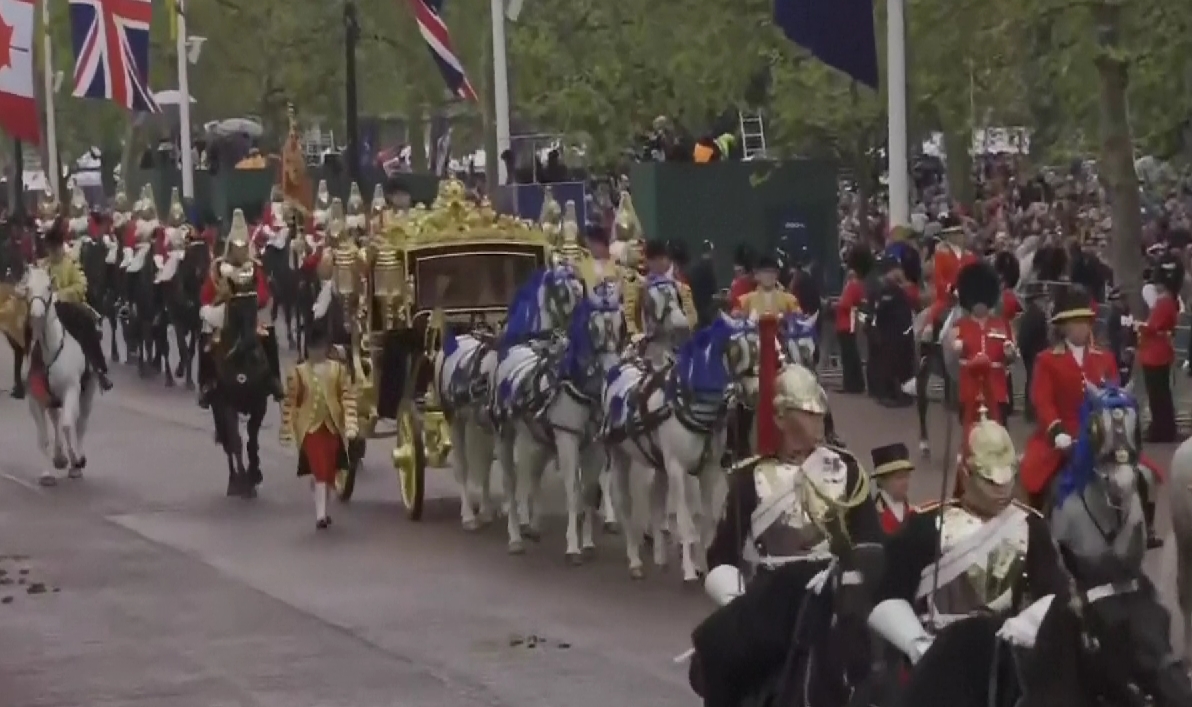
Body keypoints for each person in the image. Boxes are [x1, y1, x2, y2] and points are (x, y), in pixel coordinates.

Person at [689, 339, 883, 707]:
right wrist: (736, 603)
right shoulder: (750, 479)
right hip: (772, 597)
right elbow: (723, 555)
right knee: (717, 650)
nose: (818, 421)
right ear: (780, 418)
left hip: (832, 595)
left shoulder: (849, 470)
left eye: (819, 413)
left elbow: (870, 544)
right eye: (807, 414)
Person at [867, 406, 1068, 707]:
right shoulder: (926, 525)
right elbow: (888, 593)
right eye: (990, 481)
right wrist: (918, 644)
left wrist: (1022, 628)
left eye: (1007, 479)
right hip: (938, 655)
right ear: (965, 471)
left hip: (1005, 656)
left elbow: (1054, 593)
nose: (1002, 490)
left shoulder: (1031, 526)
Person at [1019, 285, 1164, 546]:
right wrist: (1057, 431)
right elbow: (1043, 401)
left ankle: (1147, 530)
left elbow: (1114, 398)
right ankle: (1037, 535)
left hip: (1104, 437)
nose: (1082, 329)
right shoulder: (1047, 360)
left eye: (1085, 322)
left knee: (1145, 474)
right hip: (1063, 436)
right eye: (1075, 323)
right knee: (1036, 481)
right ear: (1063, 327)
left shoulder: (1104, 357)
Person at [279, 315, 359, 530]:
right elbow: (290, 402)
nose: (317, 352)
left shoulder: (338, 370)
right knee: (320, 469)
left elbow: (347, 397)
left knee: (329, 470)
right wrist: (287, 430)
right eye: (314, 348)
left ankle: (323, 503)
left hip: (332, 426)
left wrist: (351, 423)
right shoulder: (298, 372)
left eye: (320, 348)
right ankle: (320, 516)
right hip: (309, 429)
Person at [197, 209, 284, 406]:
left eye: (243, 247)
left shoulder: (254, 266)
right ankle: (207, 382)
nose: (240, 251)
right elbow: (207, 293)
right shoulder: (219, 266)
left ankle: (273, 379)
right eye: (237, 247)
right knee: (206, 337)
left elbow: (263, 291)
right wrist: (217, 300)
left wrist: (256, 300)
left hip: (250, 310)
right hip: (227, 311)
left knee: (269, 336)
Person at [32, 219, 113, 391]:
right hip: (47, 309)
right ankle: (30, 370)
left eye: (55, 247)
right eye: (50, 248)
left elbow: (80, 285)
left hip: (67, 307)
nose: (52, 251)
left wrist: (60, 295)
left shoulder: (70, 264)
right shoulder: (42, 266)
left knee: (86, 324)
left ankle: (98, 368)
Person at [947, 261, 1016, 428]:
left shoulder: (1003, 324)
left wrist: (1010, 353)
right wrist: (956, 348)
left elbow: (1012, 357)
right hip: (969, 389)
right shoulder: (959, 325)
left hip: (996, 388)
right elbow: (952, 351)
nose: (979, 305)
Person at [1137, 254, 1181, 444]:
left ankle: (1162, 429)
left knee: (1158, 395)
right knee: (1161, 393)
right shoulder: (1169, 301)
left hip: (1155, 353)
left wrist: (1138, 325)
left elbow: (1154, 327)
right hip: (1160, 351)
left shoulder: (1164, 302)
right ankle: (1164, 427)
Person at [870, 255, 916, 407]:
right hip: (894, 333)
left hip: (899, 333)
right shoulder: (889, 290)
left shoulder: (896, 289)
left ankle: (900, 395)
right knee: (893, 365)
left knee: (900, 365)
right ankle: (893, 394)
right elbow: (881, 311)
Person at [835, 246, 873, 394]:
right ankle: (855, 384)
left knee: (848, 356)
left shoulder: (853, 284)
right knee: (852, 355)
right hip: (849, 322)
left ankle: (851, 385)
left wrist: (835, 304)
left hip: (847, 323)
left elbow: (846, 304)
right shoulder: (859, 284)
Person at [871, 442, 915, 534]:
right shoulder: (872, 517)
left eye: (906, 476)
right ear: (881, 481)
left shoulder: (914, 513)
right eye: (899, 477)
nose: (905, 482)